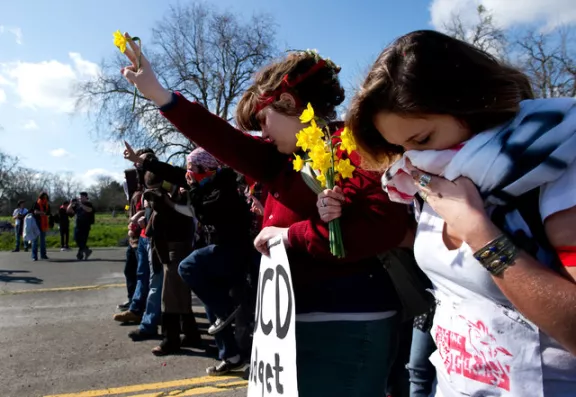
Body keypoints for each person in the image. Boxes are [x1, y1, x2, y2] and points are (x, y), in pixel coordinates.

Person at [119, 34, 410, 394]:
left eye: (263, 120)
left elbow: (384, 227)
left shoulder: (354, 149)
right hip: (290, 324)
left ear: (288, 101)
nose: (262, 133)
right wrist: (161, 96)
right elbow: (226, 140)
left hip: (347, 321)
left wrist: (291, 235)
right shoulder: (281, 161)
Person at [320, 30, 576, 396]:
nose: (413, 160)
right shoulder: (438, 175)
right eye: (400, 147)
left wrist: (480, 234)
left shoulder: (557, 164)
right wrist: (342, 212)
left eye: (422, 140)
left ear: (474, 105)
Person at [67, 192, 94, 260]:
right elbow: (68, 211)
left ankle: (80, 255)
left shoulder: (88, 204)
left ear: (85, 197)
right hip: (78, 225)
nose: (80, 198)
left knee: (83, 241)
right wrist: (71, 203)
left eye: (82, 197)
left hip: (86, 225)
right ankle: (86, 251)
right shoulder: (77, 205)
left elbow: (89, 210)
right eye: (80, 197)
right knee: (76, 239)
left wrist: (81, 204)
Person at [31, 192, 51, 261]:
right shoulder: (36, 203)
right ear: (41, 197)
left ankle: (43, 255)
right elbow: (35, 212)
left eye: (46, 197)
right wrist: (42, 213)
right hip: (37, 223)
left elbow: (48, 212)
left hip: (43, 223)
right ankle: (34, 256)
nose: (45, 199)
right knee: (35, 240)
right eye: (44, 197)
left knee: (43, 240)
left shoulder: (47, 204)